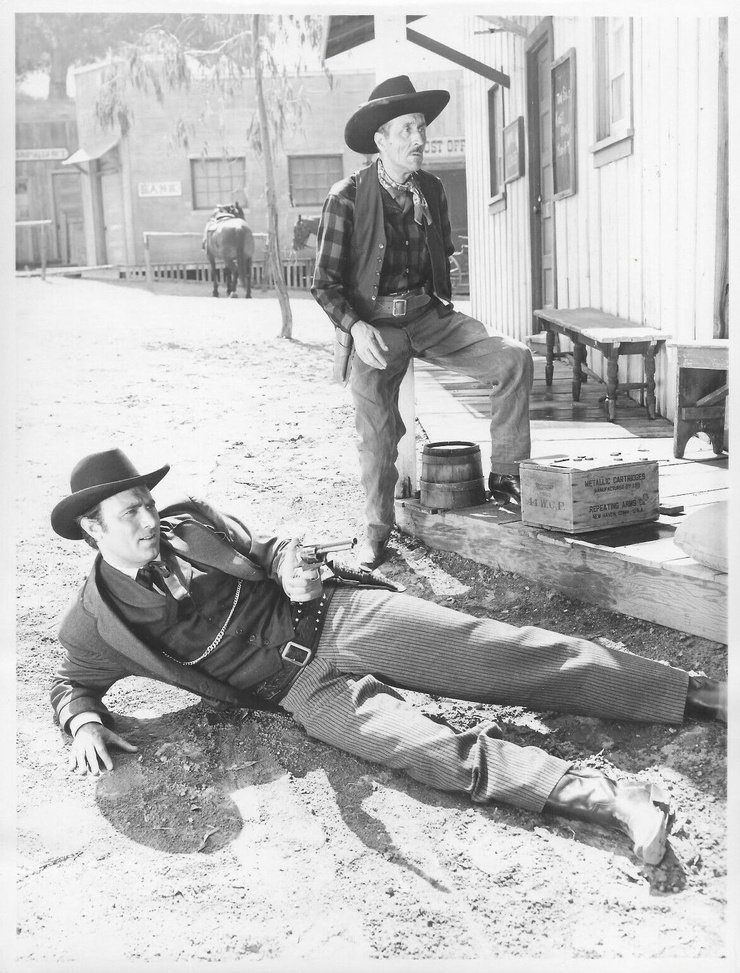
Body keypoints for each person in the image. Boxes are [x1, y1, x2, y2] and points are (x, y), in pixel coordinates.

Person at [50, 449, 727, 867]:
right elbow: (70, 681)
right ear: (90, 528)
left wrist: (291, 567)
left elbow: (268, 547)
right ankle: (613, 800)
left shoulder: (190, 522)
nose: (149, 521)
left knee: (502, 655)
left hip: (338, 619)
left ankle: (695, 693)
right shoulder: (97, 618)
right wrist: (82, 721)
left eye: (146, 504)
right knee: (431, 753)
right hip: (303, 694)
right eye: (128, 514)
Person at [312, 75, 533, 569]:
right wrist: (355, 328)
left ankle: (506, 476)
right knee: (378, 433)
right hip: (376, 328)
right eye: (407, 130)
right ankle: (376, 531)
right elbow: (324, 283)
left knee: (514, 358)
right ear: (381, 140)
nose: (420, 139)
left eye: (421, 128)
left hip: (430, 317)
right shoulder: (346, 196)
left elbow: (443, 252)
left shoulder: (431, 189)